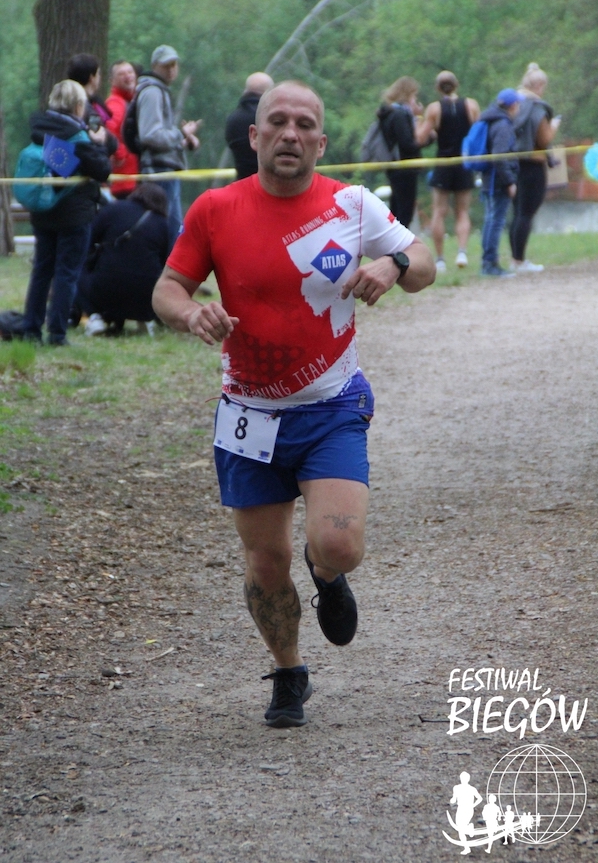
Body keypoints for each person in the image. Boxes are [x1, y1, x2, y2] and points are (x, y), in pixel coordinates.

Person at [152, 80, 435, 729]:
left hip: (330, 405)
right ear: (254, 136)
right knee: (265, 560)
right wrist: (191, 313)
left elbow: (424, 262)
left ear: (321, 142)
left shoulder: (350, 205)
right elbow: (168, 288)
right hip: (248, 415)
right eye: (277, 121)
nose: (290, 133)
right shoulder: (216, 209)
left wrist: (392, 265)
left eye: (304, 124)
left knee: (339, 544)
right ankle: (288, 672)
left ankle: (327, 574)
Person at [22, 79, 111, 346]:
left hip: (44, 211)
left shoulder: (40, 130)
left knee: (41, 271)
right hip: (74, 215)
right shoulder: (77, 136)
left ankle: (31, 330)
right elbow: (102, 170)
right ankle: (57, 334)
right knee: (66, 273)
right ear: (78, 106)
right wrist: (99, 143)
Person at [78, 183, 169, 336]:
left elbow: (88, 239)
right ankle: (145, 318)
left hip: (105, 291)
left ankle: (95, 316)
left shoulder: (114, 208)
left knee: (76, 268)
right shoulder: (162, 223)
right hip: (146, 297)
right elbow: (164, 261)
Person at [136, 44, 201, 249]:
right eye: (166, 65)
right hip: (159, 172)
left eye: (174, 65)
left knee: (173, 230)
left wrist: (183, 142)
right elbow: (150, 135)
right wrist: (180, 133)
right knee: (167, 230)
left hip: (165, 169)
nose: (171, 70)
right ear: (155, 65)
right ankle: (165, 268)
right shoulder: (153, 92)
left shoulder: (160, 90)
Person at [419, 71, 480, 272]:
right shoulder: (471, 105)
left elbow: (420, 138)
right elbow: (479, 133)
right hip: (464, 162)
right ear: (457, 85)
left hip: (443, 162)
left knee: (439, 211)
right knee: (462, 211)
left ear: (438, 88)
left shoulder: (434, 109)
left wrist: (425, 125)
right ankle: (462, 252)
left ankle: (440, 259)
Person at [509, 63, 560, 273]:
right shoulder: (537, 108)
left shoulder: (514, 104)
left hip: (513, 162)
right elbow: (544, 138)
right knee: (527, 213)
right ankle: (519, 261)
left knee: (517, 212)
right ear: (539, 85)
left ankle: (514, 258)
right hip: (533, 164)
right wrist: (554, 125)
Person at [478, 88, 521, 278]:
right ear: (513, 106)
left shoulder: (491, 120)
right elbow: (499, 155)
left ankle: (487, 262)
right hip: (498, 180)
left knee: (491, 220)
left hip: (490, 178)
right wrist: (510, 181)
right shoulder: (503, 125)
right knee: (496, 221)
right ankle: (490, 263)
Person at [377, 76, 425, 228]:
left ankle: (393, 240)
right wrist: (424, 137)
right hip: (404, 167)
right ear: (407, 94)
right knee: (404, 211)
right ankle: (399, 241)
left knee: (397, 208)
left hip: (395, 167)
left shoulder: (390, 113)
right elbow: (407, 143)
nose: (415, 100)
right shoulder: (400, 115)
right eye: (414, 96)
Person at [225, 71, 274, 179]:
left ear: (245, 91)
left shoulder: (233, 119)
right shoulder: (271, 118)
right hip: (271, 185)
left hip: (242, 182)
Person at [67, 53, 117, 156]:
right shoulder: (86, 108)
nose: (100, 77)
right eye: (98, 74)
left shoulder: (63, 103)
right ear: (91, 78)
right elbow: (102, 137)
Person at [105, 60, 139, 199]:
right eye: (121, 74)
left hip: (131, 178)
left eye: (130, 72)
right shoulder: (115, 103)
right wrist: (121, 154)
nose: (128, 76)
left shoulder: (131, 101)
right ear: (112, 81)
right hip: (124, 181)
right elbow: (108, 130)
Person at [449, 771, 482, 855]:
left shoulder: (470, 789)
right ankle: (467, 846)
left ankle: (469, 829)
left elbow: (479, 798)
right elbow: (454, 798)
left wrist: (473, 805)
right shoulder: (457, 788)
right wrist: (452, 800)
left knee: (460, 829)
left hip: (467, 809)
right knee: (460, 829)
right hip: (461, 809)